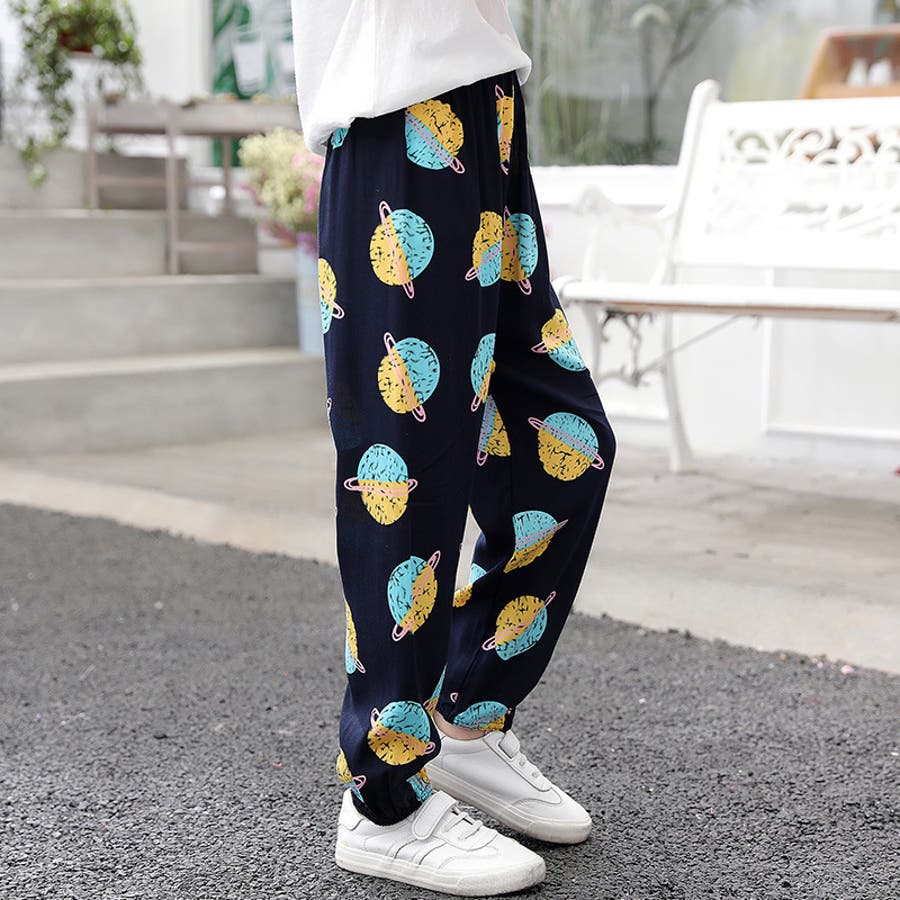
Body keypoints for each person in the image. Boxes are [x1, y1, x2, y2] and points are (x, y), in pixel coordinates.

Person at [290, 2, 616, 895]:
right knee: (408, 475)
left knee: (566, 443)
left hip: (489, 114)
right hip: (398, 116)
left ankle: (469, 717)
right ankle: (383, 800)